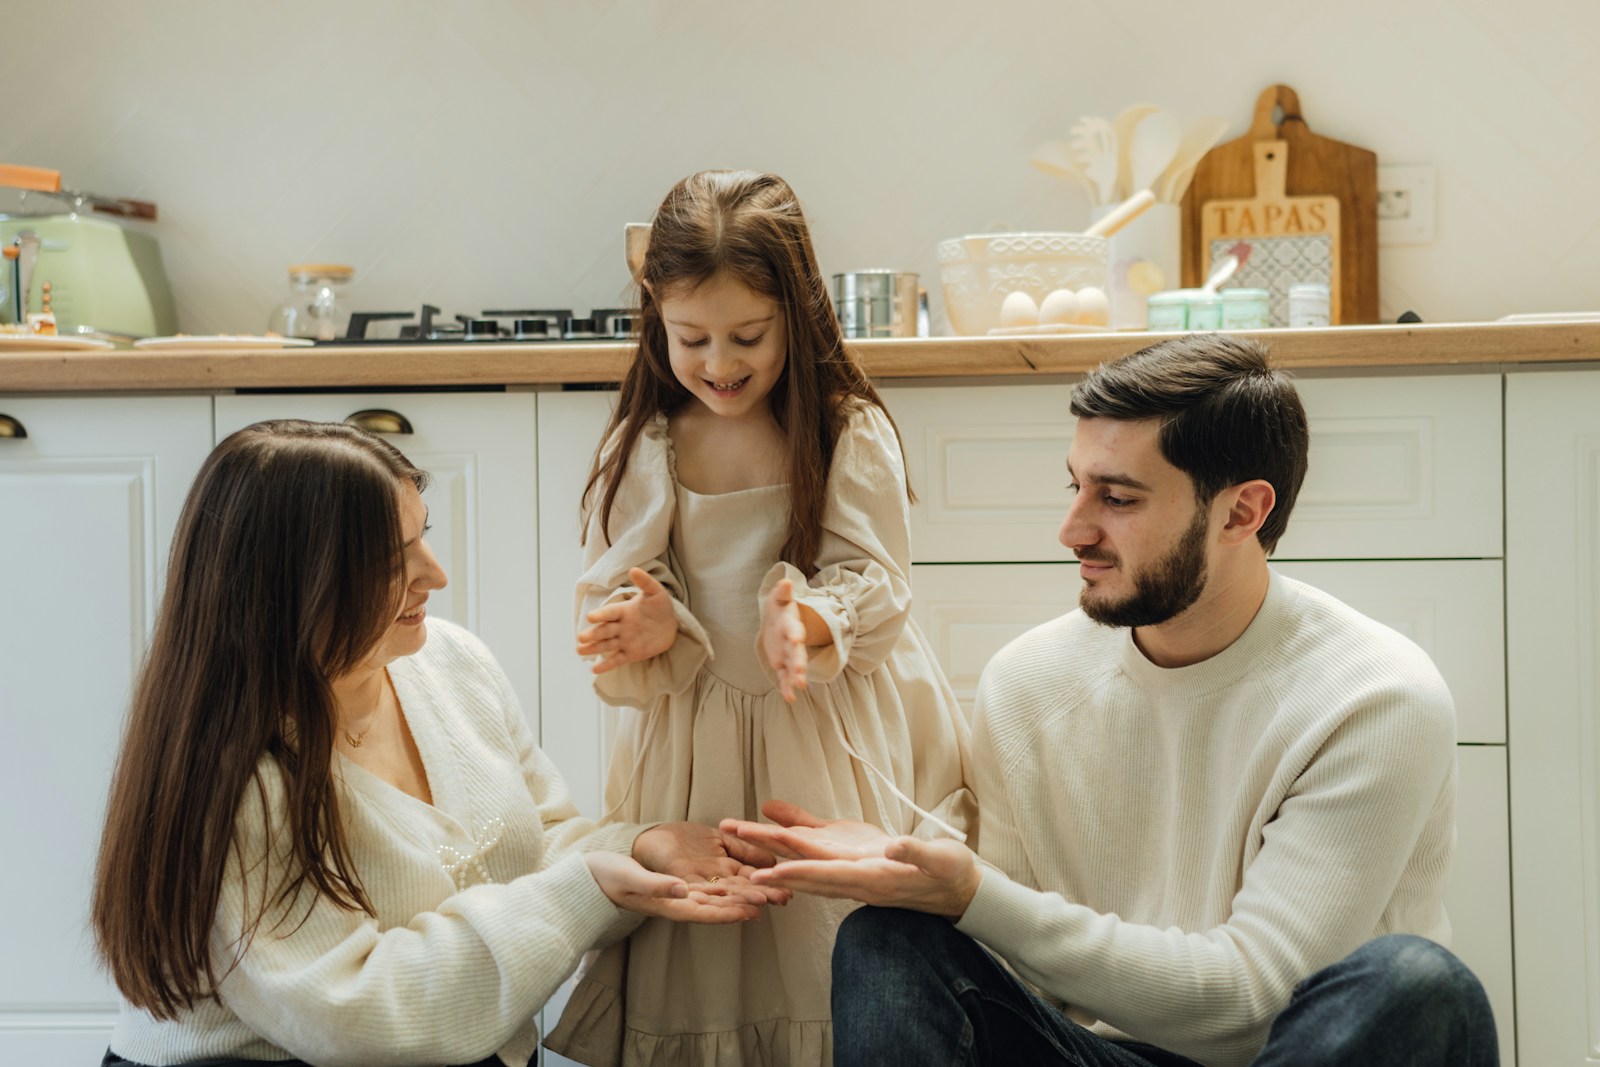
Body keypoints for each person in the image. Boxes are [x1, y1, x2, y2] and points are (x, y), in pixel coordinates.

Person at [724, 334, 1501, 1066]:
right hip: (1099, 1051)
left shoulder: (1374, 698)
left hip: (1284, 1053)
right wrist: (928, 884)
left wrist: (971, 891)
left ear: (1242, 511)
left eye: (1118, 499)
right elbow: (1021, 975)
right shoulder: (1027, 682)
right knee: (887, 940)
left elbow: (1251, 997)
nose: (1072, 528)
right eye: (1077, 486)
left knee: (1417, 982)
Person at [91, 419, 779, 1067]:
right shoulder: (242, 781)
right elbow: (360, 1012)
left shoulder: (451, 662)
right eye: (393, 559)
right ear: (292, 587)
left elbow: (540, 842)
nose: (436, 573)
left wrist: (634, 846)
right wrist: (587, 888)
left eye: (424, 535)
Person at [543, 170, 974, 1066]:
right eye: (690, 337)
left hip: (828, 731)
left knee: (826, 943)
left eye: (748, 335)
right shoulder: (647, 444)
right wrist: (651, 624)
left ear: (799, 313)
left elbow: (875, 580)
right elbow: (622, 593)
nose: (719, 363)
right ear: (654, 318)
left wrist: (808, 624)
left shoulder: (845, 430)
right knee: (705, 952)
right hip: (693, 743)